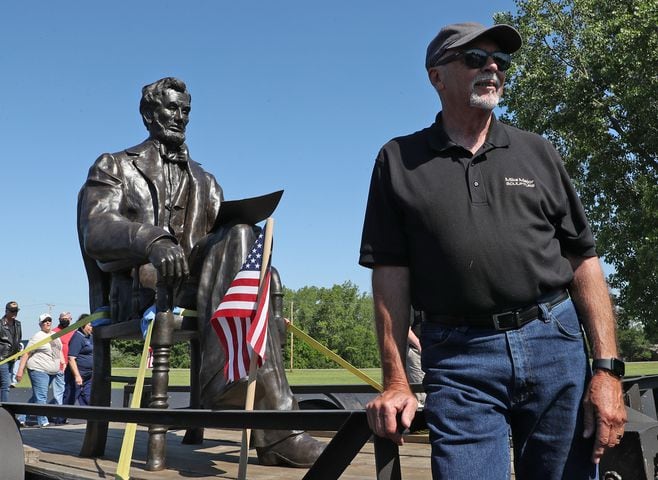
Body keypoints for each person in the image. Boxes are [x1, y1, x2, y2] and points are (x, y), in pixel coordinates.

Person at [359, 22, 627, 479]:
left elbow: (583, 260)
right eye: (475, 59)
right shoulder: (397, 160)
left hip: (554, 343)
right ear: (436, 76)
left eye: (500, 62)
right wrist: (396, 380)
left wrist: (606, 372)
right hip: (459, 357)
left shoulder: (539, 152)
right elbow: (389, 274)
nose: (492, 69)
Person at [77, 77, 322, 467]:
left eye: (185, 110)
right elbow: (97, 229)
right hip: (142, 291)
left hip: (200, 290)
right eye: (171, 108)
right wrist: (153, 240)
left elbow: (221, 245)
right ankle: (270, 421)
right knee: (245, 249)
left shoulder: (206, 181)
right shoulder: (115, 165)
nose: (179, 117)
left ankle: (234, 384)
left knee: (245, 236)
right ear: (147, 114)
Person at [15, 313, 64, 428]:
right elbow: (26, 353)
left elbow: (59, 350)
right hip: (38, 369)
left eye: (49, 320)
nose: (47, 323)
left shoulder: (55, 335)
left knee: (37, 396)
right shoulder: (37, 336)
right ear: (40, 324)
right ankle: (43, 421)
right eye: (44, 321)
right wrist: (20, 370)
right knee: (41, 396)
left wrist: (63, 362)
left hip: (53, 371)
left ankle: (22, 417)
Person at [52, 311, 76, 424]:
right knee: (60, 390)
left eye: (67, 318)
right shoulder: (54, 332)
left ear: (70, 319)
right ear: (59, 319)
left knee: (68, 390)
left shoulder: (73, 331)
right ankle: (57, 414)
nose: (65, 320)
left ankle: (60, 412)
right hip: (59, 364)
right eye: (63, 318)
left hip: (70, 363)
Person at [0, 301, 23, 402]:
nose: (15, 313)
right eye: (12, 311)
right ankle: (5, 410)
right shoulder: (0, 324)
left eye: (16, 311)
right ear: (6, 311)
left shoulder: (18, 324)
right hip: (2, 359)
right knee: (6, 384)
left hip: (12, 359)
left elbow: (18, 339)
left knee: (3, 384)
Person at [66, 322, 93, 405]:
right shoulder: (78, 337)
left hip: (88, 375)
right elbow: (71, 358)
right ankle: (59, 418)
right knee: (69, 399)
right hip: (78, 374)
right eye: (90, 325)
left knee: (87, 400)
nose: (92, 327)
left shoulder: (89, 337)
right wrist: (77, 376)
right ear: (83, 326)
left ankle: (90, 417)